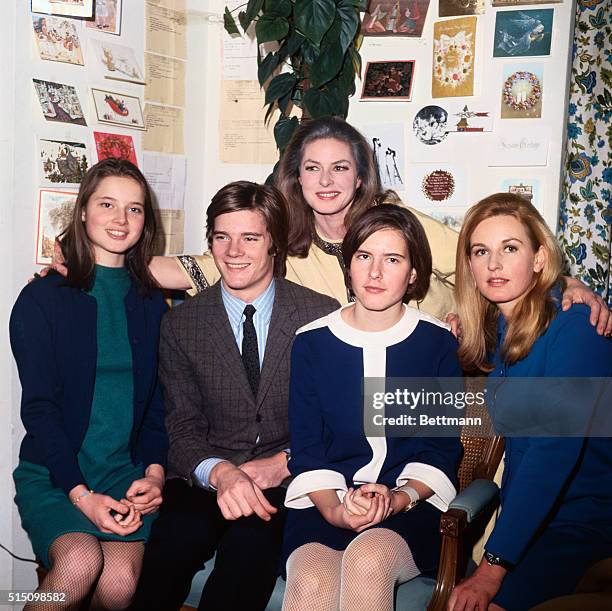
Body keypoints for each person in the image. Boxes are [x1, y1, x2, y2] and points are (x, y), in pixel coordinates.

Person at [143, 117, 611, 334]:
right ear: (295, 177)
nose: (326, 181)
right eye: (312, 168)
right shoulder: (285, 242)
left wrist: (566, 284)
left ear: (361, 175)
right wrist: (94, 256)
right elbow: (204, 264)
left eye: (340, 168)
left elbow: (489, 259)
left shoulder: (400, 221)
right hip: (362, 384)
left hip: (438, 370)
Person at [132, 181, 338, 611]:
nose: (233, 250)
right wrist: (221, 472)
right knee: (169, 551)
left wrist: (286, 463)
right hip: (207, 477)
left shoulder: (318, 314)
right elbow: (182, 426)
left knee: (248, 553)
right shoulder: (182, 324)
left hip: (286, 481)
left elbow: (335, 419)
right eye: (222, 237)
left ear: (274, 244)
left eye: (250, 237)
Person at [282, 204, 463, 611]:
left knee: (368, 560)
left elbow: (439, 449)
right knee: (310, 580)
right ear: (349, 266)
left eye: (393, 259)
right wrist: (335, 511)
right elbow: (308, 447)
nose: (375, 273)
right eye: (364, 257)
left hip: (410, 504)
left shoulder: (436, 343)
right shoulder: (311, 342)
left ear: (414, 273)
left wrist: (396, 499)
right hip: (327, 500)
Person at [10, 159, 168, 610]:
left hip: (123, 472)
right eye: (107, 204)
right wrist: (81, 495)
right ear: (82, 212)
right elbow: (39, 409)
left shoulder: (151, 299)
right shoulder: (42, 297)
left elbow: (157, 403)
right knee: (77, 564)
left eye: (134, 209)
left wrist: (155, 473)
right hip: (57, 472)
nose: (121, 219)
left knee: (119, 584)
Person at [448, 193, 612, 611]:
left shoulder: (577, 326)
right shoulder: (503, 327)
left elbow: (551, 452)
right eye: (481, 251)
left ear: (539, 258)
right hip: (533, 521)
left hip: (585, 522)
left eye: (510, 248)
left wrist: (493, 568)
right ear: (469, 264)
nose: (494, 264)